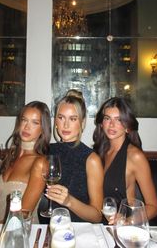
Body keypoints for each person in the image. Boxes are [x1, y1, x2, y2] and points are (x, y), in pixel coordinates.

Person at [0, 101, 51, 223]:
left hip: (20, 234)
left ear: (43, 129)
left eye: (35, 123)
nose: (27, 127)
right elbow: (2, 206)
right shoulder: (11, 156)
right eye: (24, 120)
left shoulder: (40, 163)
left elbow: (22, 215)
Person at [93, 97, 157, 223]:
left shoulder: (135, 157)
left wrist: (127, 221)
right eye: (107, 118)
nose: (111, 124)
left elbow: (154, 207)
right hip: (99, 226)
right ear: (102, 123)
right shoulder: (98, 153)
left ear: (127, 126)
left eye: (118, 120)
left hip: (123, 230)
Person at [44, 89, 104, 222]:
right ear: (56, 123)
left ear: (82, 123)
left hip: (78, 231)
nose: (65, 125)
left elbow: (97, 216)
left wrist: (69, 201)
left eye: (73, 119)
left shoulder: (91, 159)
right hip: (48, 228)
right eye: (61, 118)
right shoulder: (47, 151)